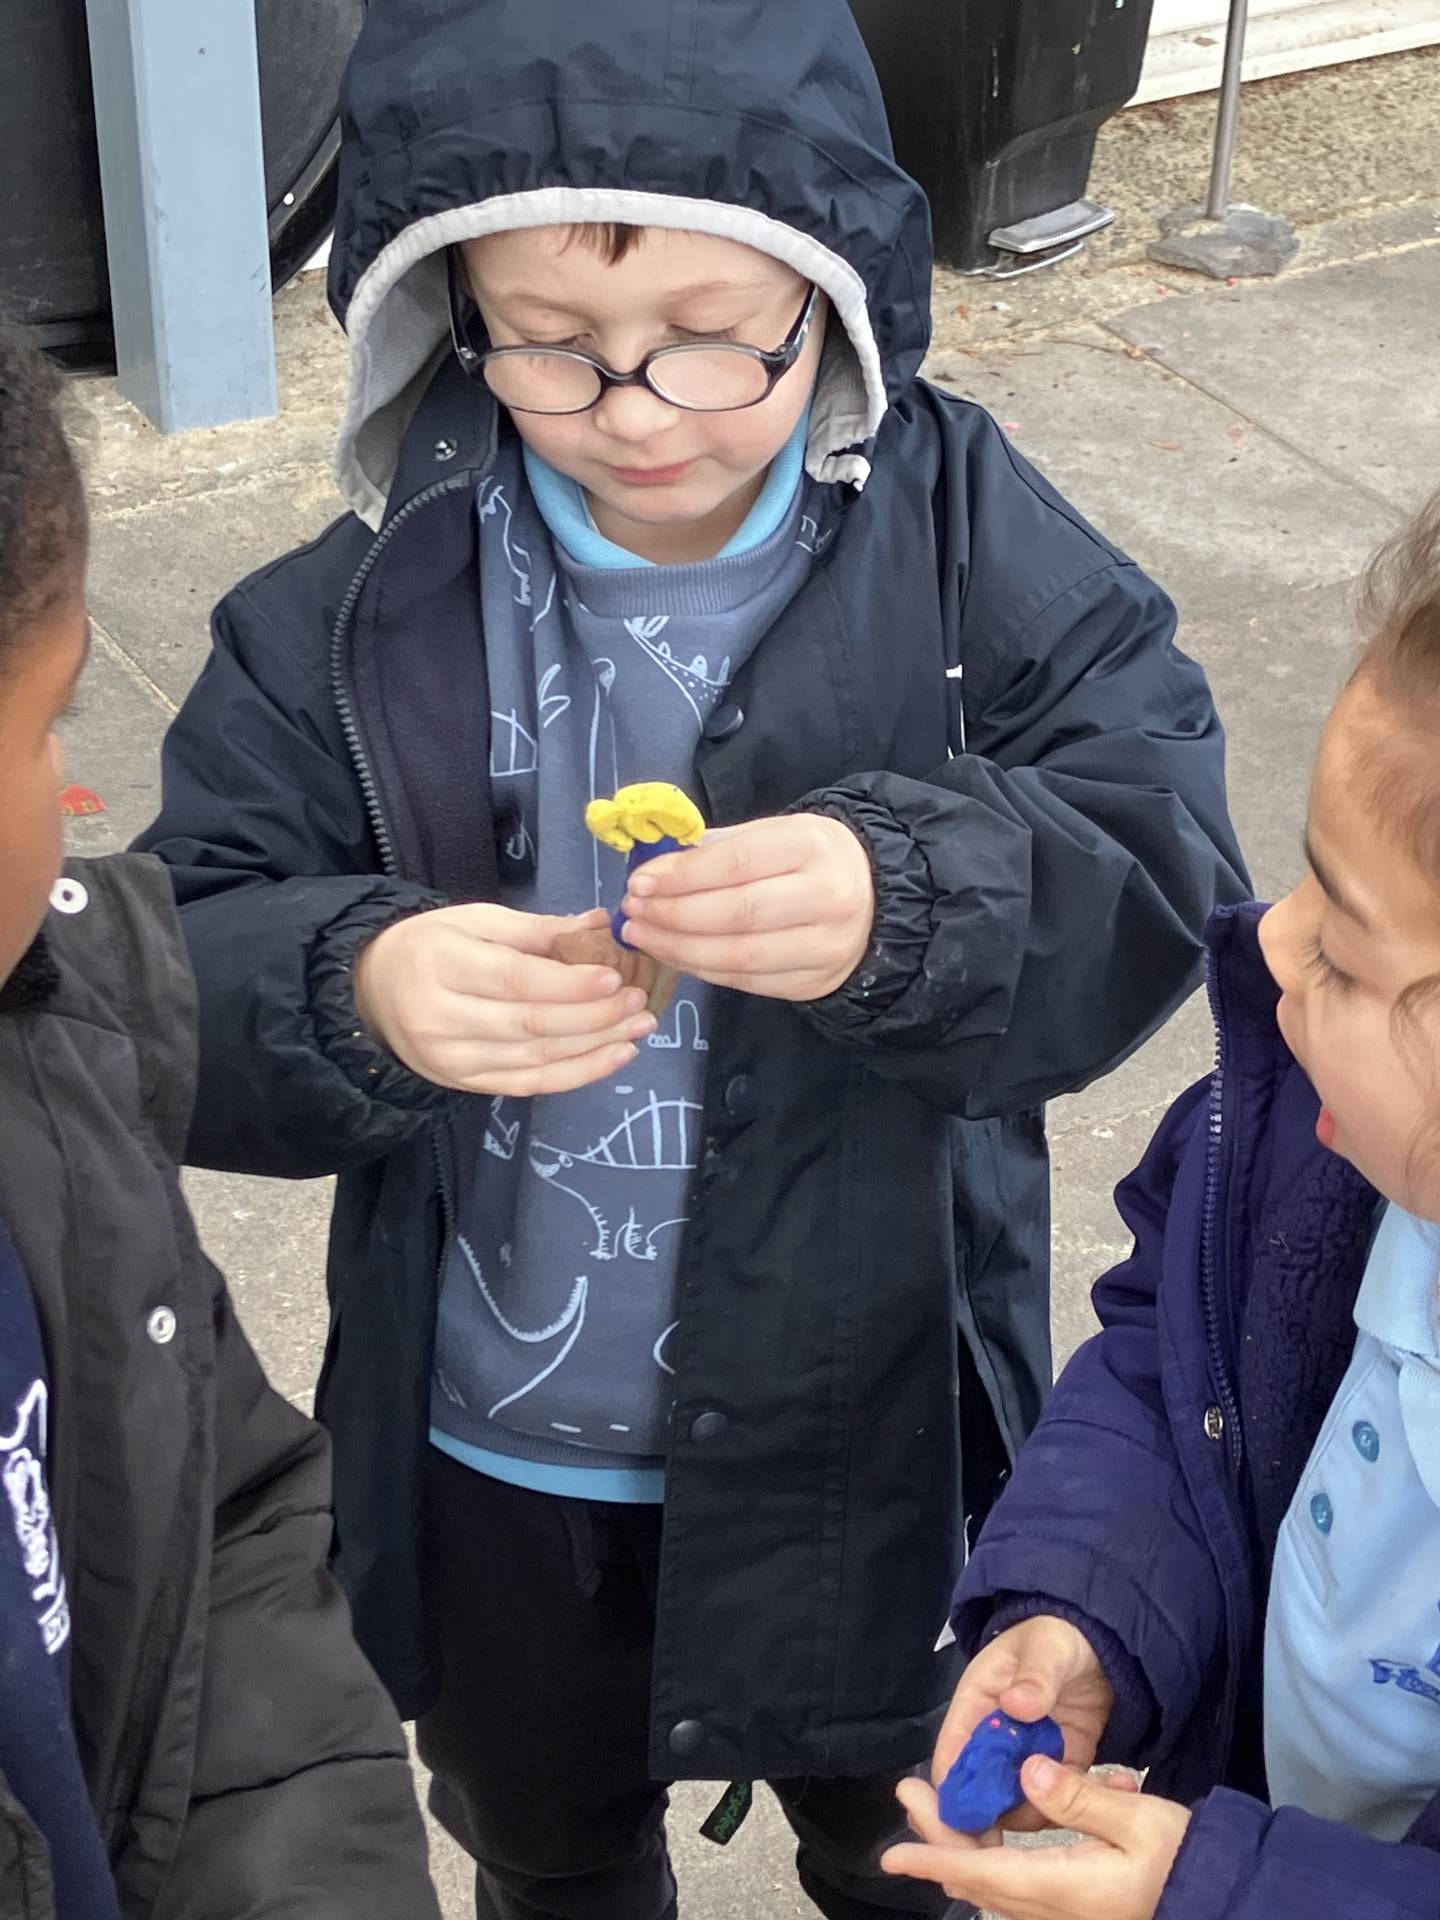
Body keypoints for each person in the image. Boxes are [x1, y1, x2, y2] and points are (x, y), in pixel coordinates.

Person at [135, 0, 1247, 1913]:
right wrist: (355, 982)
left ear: (831, 288)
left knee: (919, 1856)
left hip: (870, 1430)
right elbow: (168, 961)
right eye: (550, 344)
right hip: (494, 1447)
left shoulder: (962, 535)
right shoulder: (361, 600)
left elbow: (1157, 834)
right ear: (443, 308)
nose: (639, 409)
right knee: (543, 1846)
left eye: (717, 337)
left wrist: (913, 891)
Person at [882, 491, 1440, 1919]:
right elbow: (1171, 1362)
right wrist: (1089, 1611)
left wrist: (1224, 1894)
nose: (1273, 939)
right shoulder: (1323, 1141)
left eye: (1349, 951)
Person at [0, 328, 441, 1915]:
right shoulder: (339, 613)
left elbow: (210, 1520)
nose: (75, 796)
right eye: (48, 726)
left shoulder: (50, 1061)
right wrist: (349, 977)